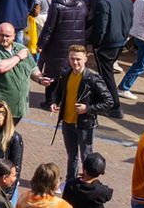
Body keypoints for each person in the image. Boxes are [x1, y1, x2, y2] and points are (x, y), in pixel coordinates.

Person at [43, 44, 116, 181]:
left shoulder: (92, 78)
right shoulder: (65, 74)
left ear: (85, 59)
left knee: (86, 157)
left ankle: (87, 182)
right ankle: (71, 182)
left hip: (85, 124)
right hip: (67, 122)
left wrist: (87, 109)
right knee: (72, 156)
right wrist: (54, 102)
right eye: (72, 59)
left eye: (78, 59)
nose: (75, 62)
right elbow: (58, 92)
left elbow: (108, 101)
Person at [0, 21, 35, 125]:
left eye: (7, 36)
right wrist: (18, 57)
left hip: (17, 107)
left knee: (8, 136)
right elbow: (0, 67)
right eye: (1, 35)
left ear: (14, 36)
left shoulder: (21, 49)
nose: (4, 38)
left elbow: (33, 68)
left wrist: (41, 79)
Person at [87, 0, 133, 97]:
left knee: (106, 74)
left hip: (108, 43)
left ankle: (113, 104)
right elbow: (130, 21)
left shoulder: (104, 3)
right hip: (121, 40)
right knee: (107, 72)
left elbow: (101, 26)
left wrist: (96, 43)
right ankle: (106, 100)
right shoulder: (127, 1)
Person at [34, 0, 86, 82]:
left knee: (53, 76)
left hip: (57, 46)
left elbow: (49, 27)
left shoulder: (56, 5)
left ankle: (51, 98)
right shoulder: (82, 4)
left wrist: (41, 44)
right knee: (71, 75)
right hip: (77, 44)